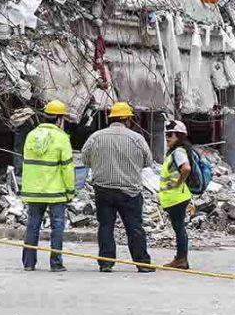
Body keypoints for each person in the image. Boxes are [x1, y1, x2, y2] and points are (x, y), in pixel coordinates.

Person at [79, 102, 154, 273]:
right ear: (128, 119)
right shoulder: (136, 139)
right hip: (130, 191)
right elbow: (148, 162)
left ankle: (106, 262)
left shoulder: (96, 137)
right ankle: (142, 263)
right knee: (134, 227)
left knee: (105, 226)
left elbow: (85, 159)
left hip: (103, 189)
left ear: (110, 118)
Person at [20, 100, 75, 272]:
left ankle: (29, 263)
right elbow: (67, 168)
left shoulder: (31, 136)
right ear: (59, 119)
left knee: (32, 226)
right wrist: (70, 191)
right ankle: (56, 263)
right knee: (57, 227)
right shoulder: (61, 138)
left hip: (34, 191)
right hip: (55, 191)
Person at [161, 119, 194, 269]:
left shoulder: (179, 152)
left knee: (179, 227)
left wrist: (179, 182)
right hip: (176, 197)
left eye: (170, 135)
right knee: (178, 227)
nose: (167, 138)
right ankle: (180, 258)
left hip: (177, 197)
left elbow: (186, 169)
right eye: (166, 135)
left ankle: (181, 259)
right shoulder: (175, 152)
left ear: (179, 136)